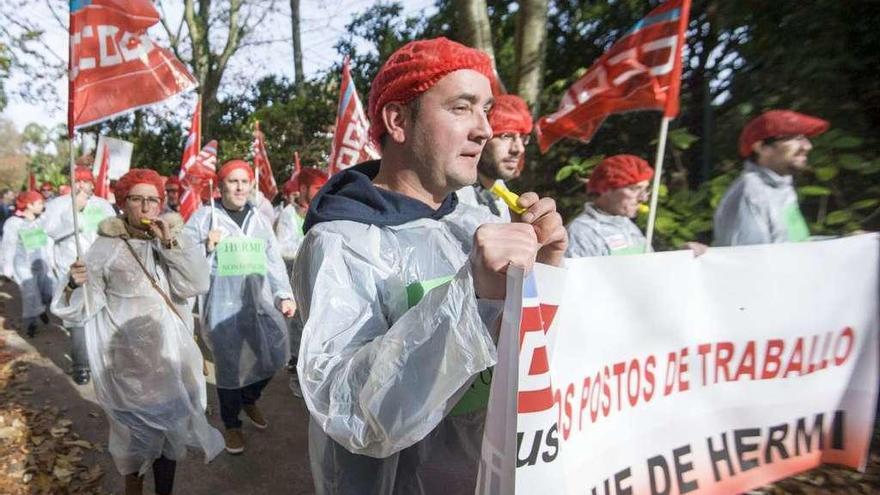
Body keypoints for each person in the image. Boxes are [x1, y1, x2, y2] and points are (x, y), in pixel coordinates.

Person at [293, 37, 566, 494]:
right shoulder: (341, 241)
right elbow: (347, 408)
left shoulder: (477, 222)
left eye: (487, 111)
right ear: (398, 121)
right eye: (462, 107)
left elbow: (531, 367)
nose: (484, 130)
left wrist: (546, 274)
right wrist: (471, 295)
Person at [50, 169, 223, 495]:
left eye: (152, 200)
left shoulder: (174, 239)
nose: (145, 207)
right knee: (134, 444)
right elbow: (83, 306)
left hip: (170, 360)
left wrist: (170, 244)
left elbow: (197, 284)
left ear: (161, 204)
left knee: (170, 437)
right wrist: (74, 283)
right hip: (128, 367)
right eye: (137, 199)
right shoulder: (106, 248)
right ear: (123, 204)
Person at [182, 159, 296, 455]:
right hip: (221, 306)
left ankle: (250, 396)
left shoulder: (258, 219)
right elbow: (182, 261)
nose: (240, 187)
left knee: (276, 352)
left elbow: (272, 260)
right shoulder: (205, 217)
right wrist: (205, 247)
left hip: (256, 302)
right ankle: (232, 424)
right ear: (219, 187)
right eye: (233, 181)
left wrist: (283, 294)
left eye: (244, 181)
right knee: (229, 366)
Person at [43, 166, 116, 385]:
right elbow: (48, 233)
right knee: (78, 318)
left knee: (101, 315)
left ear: (93, 184)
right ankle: (81, 365)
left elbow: (112, 231)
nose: (82, 185)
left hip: (100, 267)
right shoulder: (57, 205)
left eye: (86, 181)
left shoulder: (103, 205)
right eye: (78, 181)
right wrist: (73, 212)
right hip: (71, 268)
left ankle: (104, 361)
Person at [714, 109, 829, 246]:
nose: (808, 146)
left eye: (804, 138)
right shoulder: (752, 191)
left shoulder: (782, 187)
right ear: (761, 147)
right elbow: (751, 259)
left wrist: (847, 241)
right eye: (796, 138)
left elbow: (796, 244)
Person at [274, 166, 328, 397]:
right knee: (298, 328)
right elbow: (282, 247)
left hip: (320, 282)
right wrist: (309, 249)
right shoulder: (289, 214)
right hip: (295, 280)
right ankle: (297, 375)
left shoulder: (326, 210)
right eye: (317, 188)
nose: (322, 192)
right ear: (304, 189)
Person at [457, 94, 533, 221]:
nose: (519, 149)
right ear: (482, 136)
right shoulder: (453, 197)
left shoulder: (504, 196)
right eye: (506, 136)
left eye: (523, 138)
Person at [1, 191, 55, 337]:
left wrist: (52, 260)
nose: (42, 206)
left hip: (41, 264)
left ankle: (41, 309)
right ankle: (31, 324)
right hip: (23, 265)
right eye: (39, 203)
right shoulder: (13, 223)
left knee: (47, 293)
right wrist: (7, 270)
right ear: (29, 205)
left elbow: (48, 242)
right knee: (30, 294)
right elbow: (8, 245)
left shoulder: (41, 221)